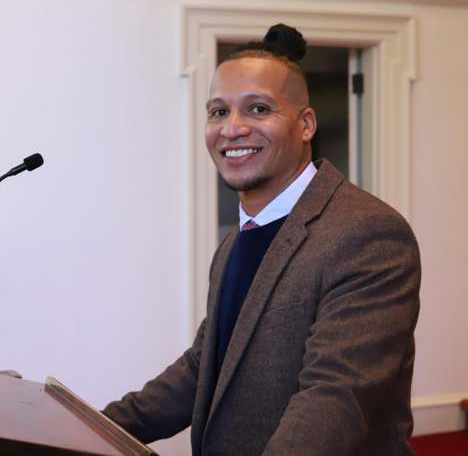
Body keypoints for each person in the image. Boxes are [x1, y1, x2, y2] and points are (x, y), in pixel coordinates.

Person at [103, 24, 421, 455]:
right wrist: (93, 426)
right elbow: (206, 366)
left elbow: (335, 397)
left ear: (305, 124)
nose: (232, 129)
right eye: (218, 112)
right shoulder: (236, 242)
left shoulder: (367, 233)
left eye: (257, 109)